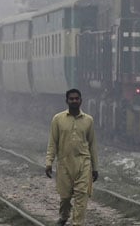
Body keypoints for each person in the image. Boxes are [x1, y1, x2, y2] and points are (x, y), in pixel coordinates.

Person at [45, 89, 98, 226]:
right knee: (65, 196)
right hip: (64, 163)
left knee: (82, 195)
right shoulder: (58, 119)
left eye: (77, 98)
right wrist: (49, 162)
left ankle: (77, 223)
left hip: (83, 163)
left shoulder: (88, 120)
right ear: (67, 101)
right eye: (71, 99)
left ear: (81, 100)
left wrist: (95, 167)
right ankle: (63, 216)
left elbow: (92, 144)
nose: (74, 101)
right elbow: (53, 143)